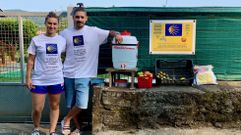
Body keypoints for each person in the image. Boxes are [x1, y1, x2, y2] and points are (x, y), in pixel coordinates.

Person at [60, 3, 123, 135]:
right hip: (68, 74)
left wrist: (117, 35)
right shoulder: (65, 33)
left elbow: (111, 33)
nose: (79, 19)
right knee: (71, 104)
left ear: (86, 18)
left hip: (85, 74)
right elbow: (58, 50)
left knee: (82, 104)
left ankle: (66, 120)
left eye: (82, 17)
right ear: (73, 18)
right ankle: (77, 128)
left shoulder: (94, 31)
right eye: (77, 17)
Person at [26, 12, 66, 135]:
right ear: (45, 23)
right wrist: (28, 78)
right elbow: (30, 60)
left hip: (56, 78)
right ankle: (36, 128)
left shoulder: (62, 40)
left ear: (58, 25)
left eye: (54, 24)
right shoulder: (36, 40)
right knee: (37, 109)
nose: (52, 26)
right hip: (39, 79)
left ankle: (52, 131)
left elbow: (67, 56)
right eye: (49, 23)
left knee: (55, 106)